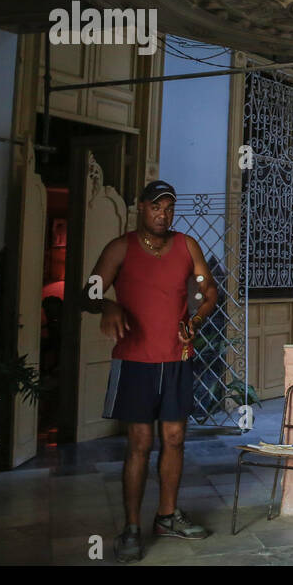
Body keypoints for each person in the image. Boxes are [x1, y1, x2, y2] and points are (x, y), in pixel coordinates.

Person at [85, 180, 219, 563]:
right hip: (135, 361)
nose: (163, 215)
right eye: (156, 207)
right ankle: (130, 526)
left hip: (176, 358)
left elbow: (207, 289)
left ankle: (167, 516)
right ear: (140, 208)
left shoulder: (185, 246)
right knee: (140, 444)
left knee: (174, 439)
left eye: (169, 208)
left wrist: (196, 318)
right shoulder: (120, 248)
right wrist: (108, 306)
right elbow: (88, 291)